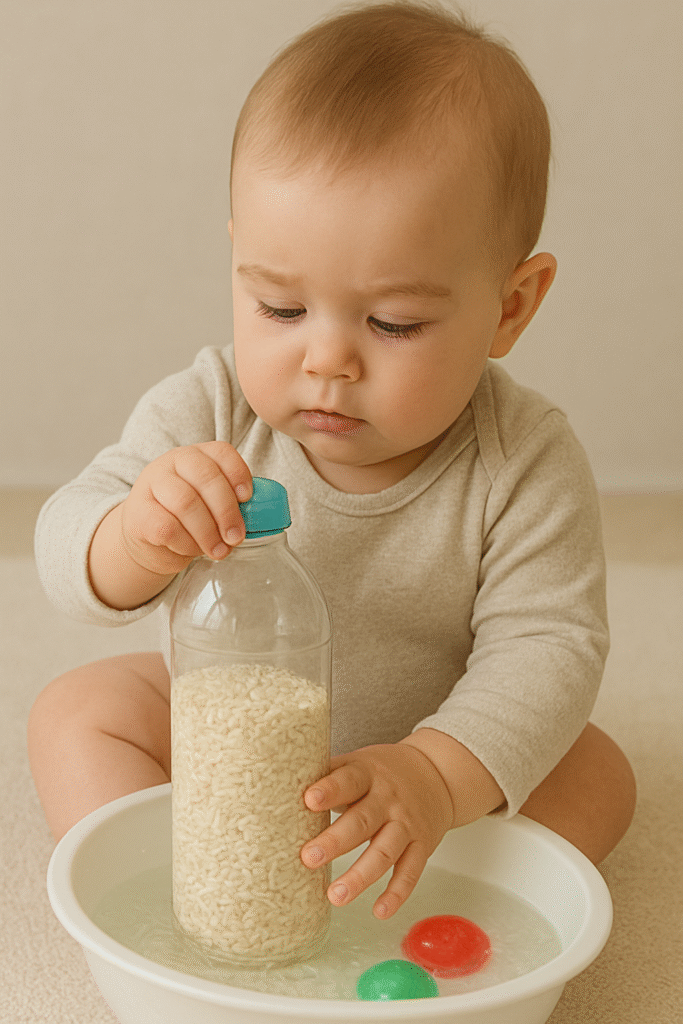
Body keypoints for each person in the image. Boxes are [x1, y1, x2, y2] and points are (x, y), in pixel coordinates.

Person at [29, 0, 635, 922]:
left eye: (393, 323)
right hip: (228, 732)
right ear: (238, 263)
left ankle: (433, 883)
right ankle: (173, 884)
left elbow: (549, 648)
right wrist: (132, 536)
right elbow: (66, 549)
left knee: (597, 772)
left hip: (425, 737)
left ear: (511, 306)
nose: (326, 360)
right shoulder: (211, 405)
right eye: (279, 307)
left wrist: (435, 773)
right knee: (77, 713)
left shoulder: (524, 460)